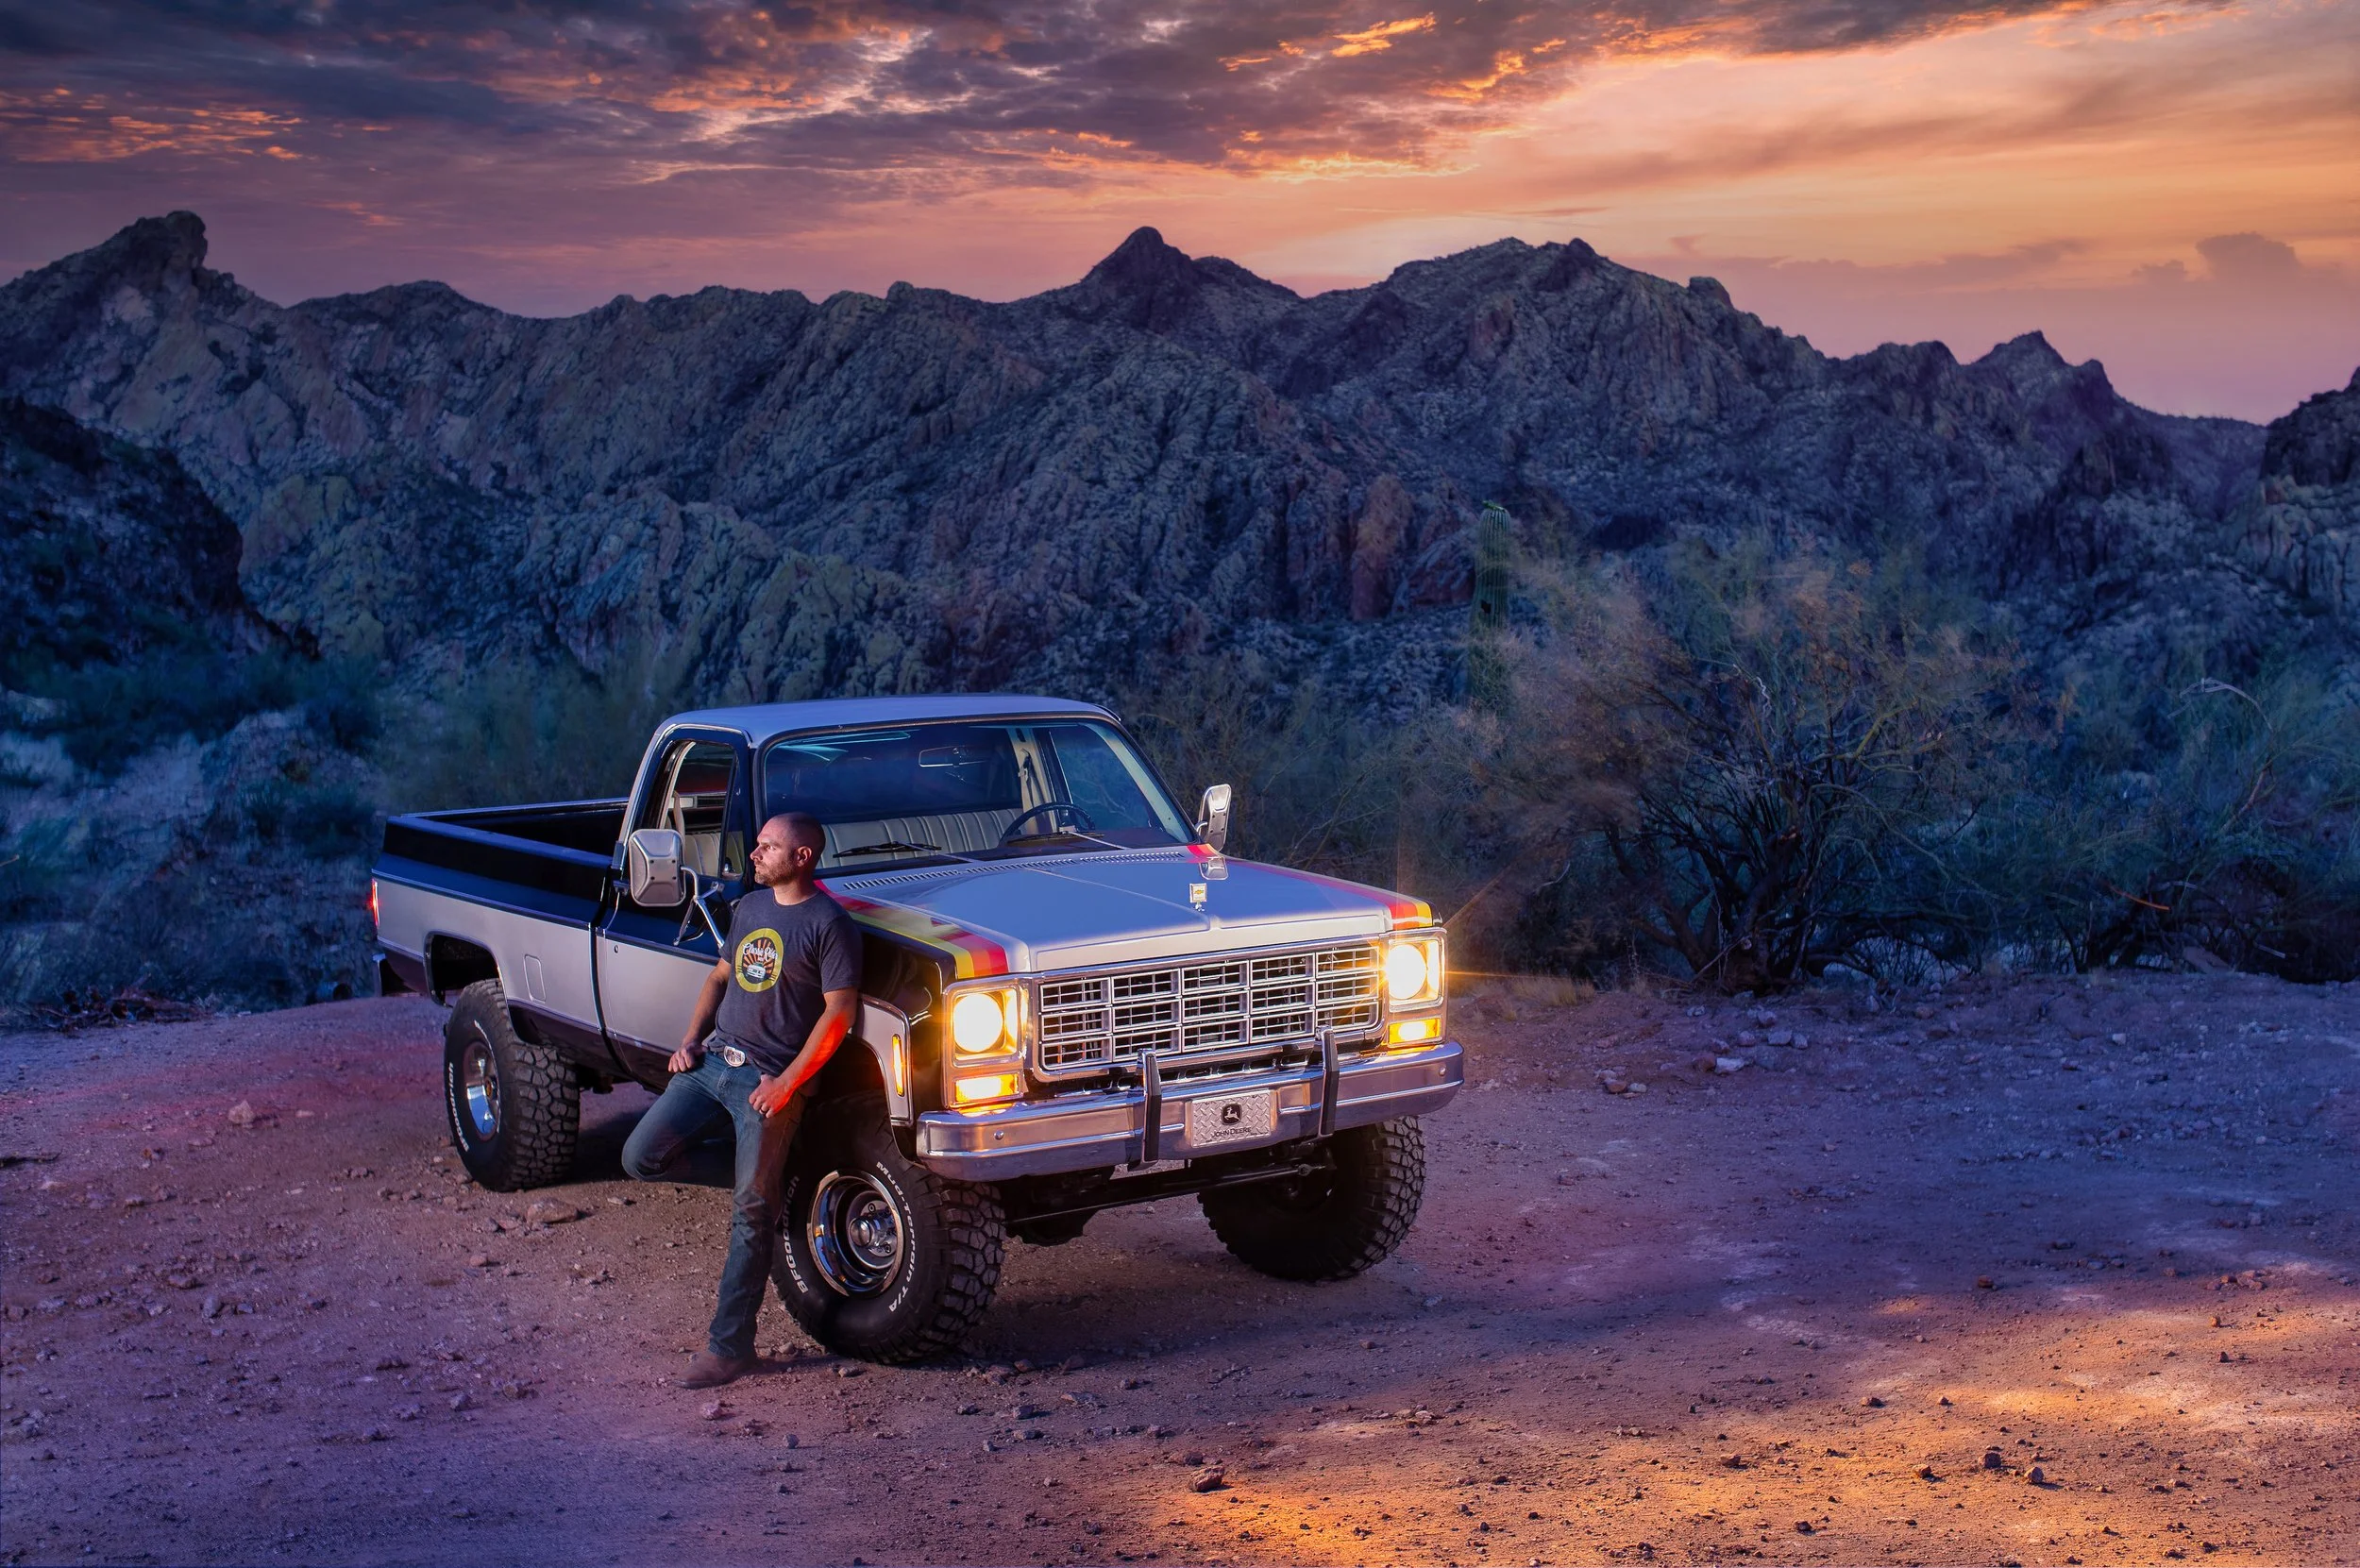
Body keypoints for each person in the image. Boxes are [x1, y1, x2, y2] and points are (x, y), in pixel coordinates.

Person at [620, 810, 860, 1390]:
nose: (753, 855)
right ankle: (767, 1182)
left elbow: (840, 1013)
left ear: (802, 857)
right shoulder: (749, 908)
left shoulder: (829, 923)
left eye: (767, 848)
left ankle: (729, 1350)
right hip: (713, 1063)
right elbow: (719, 977)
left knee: (751, 1212)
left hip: (769, 1082)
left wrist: (787, 1084)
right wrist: (689, 1040)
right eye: (757, 846)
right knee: (640, 1157)